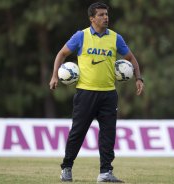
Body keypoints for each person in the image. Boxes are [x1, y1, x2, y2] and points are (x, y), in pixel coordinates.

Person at [49, 2, 144, 183]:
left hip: (109, 94)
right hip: (85, 93)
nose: (105, 17)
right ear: (92, 18)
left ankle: (105, 172)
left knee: (108, 134)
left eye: (106, 14)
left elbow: (131, 58)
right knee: (78, 132)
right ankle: (66, 168)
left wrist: (139, 78)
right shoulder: (81, 36)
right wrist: (54, 76)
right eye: (101, 15)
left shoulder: (115, 38)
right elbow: (61, 54)